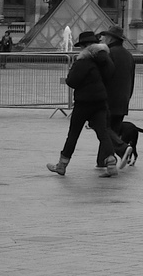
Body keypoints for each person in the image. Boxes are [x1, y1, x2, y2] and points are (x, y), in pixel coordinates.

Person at [46, 30, 126, 177]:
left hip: (83, 102)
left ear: (85, 45)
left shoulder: (83, 61)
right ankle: (111, 163)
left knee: (73, 134)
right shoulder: (104, 59)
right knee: (103, 133)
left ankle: (62, 165)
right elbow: (109, 75)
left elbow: (71, 81)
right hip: (100, 101)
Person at [97, 25, 137, 170]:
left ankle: (122, 148)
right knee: (111, 129)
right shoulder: (129, 55)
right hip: (123, 99)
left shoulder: (108, 53)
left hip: (108, 99)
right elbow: (132, 80)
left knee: (103, 129)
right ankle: (102, 160)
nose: (102, 39)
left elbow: (104, 77)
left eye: (105, 36)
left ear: (111, 38)